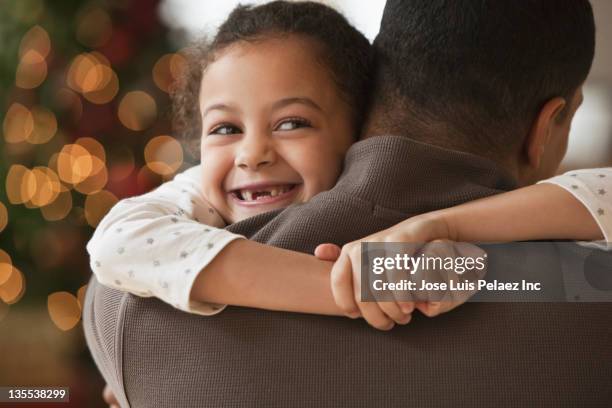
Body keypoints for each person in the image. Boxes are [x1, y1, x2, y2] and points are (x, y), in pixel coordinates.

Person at [84, 1, 612, 406]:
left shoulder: (124, 307)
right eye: (225, 128)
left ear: (361, 115)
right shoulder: (586, 288)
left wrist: (439, 225)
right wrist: (362, 285)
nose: (252, 154)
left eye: (291, 122)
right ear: (546, 126)